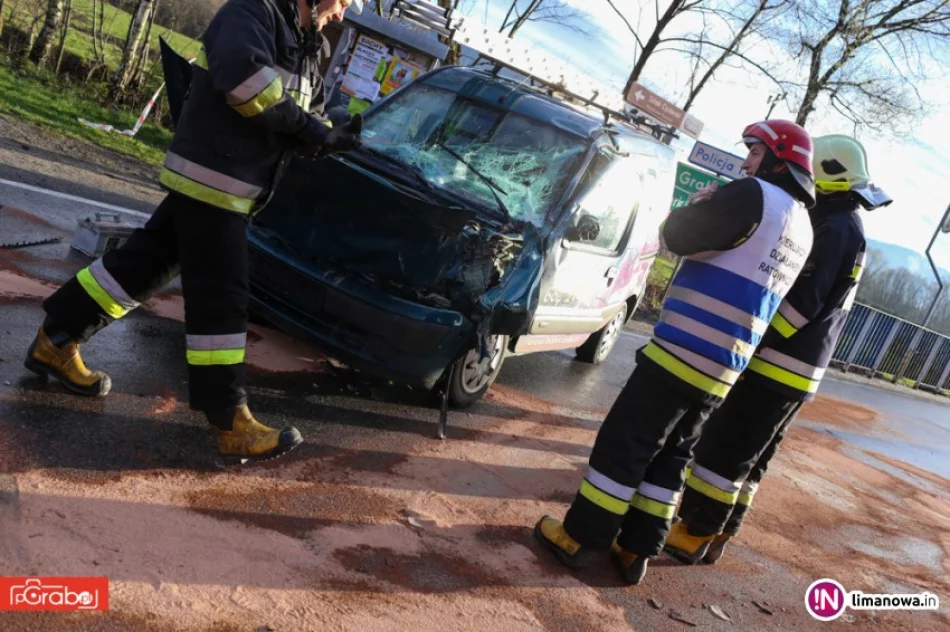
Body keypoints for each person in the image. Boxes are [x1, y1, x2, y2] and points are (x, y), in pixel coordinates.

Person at [23, 0, 364, 465]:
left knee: (141, 268)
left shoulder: (308, 45)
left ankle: (55, 341)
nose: (342, 13)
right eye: (342, 0)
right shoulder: (251, 13)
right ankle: (230, 421)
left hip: (229, 188)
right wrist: (314, 131)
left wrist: (331, 131)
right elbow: (248, 90)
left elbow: (305, 114)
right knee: (222, 297)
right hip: (215, 182)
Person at [534, 120, 817, 585]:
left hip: (681, 350)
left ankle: (581, 539)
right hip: (725, 365)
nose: (745, 162)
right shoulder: (802, 225)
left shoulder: (751, 195)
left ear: (778, 158)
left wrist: (697, 205)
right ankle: (636, 550)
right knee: (672, 455)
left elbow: (679, 237)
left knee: (626, 441)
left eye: (753, 152)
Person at [664, 134, 890, 565]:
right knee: (751, 458)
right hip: (797, 370)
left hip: (777, 365)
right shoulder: (845, 224)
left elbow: (801, 303)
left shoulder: (834, 225)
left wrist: (752, 344)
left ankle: (694, 531)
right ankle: (721, 531)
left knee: (724, 450)